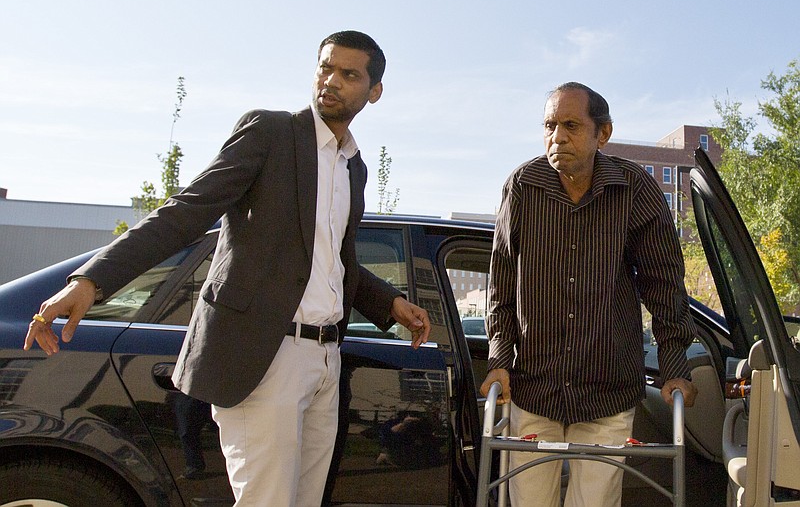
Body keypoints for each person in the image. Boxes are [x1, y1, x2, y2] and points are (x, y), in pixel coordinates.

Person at [24, 30, 431, 507]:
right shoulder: (272, 133)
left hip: (325, 358)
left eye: (348, 74)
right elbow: (186, 210)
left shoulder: (352, 167)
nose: (331, 81)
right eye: (325, 68)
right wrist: (91, 281)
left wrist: (390, 302)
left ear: (373, 91)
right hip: (262, 354)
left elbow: (335, 261)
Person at [479, 82, 698, 507]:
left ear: (603, 133)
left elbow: (664, 284)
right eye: (549, 125)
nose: (557, 136)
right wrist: (499, 360)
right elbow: (501, 284)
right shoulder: (523, 185)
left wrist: (674, 366)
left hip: (607, 389)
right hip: (534, 389)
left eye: (571, 125)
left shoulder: (634, 188)